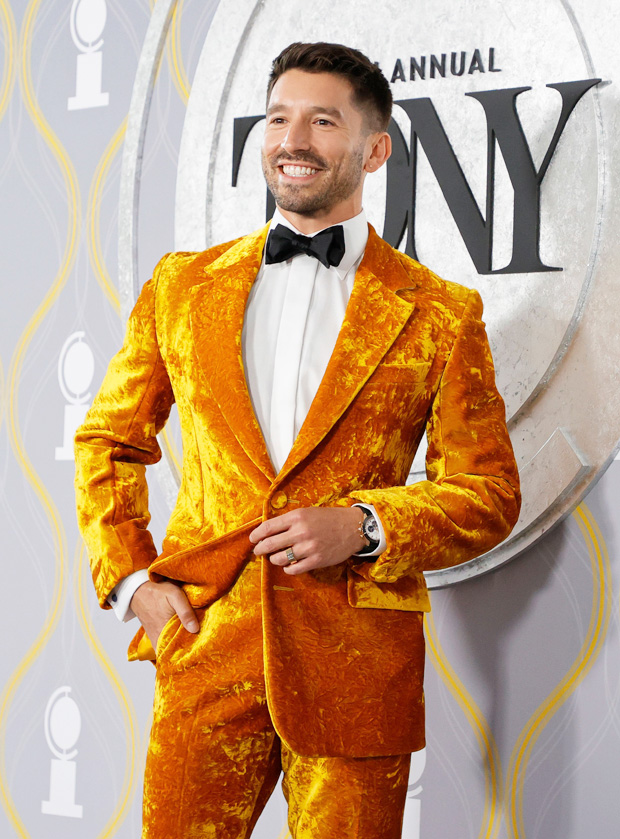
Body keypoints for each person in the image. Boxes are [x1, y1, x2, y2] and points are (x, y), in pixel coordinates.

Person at [75, 41, 520, 839]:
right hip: (205, 644)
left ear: (375, 150)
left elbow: (489, 493)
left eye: (323, 121)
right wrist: (132, 580)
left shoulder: (441, 313)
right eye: (279, 118)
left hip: (358, 667)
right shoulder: (182, 286)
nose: (293, 140)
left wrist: (365, 525)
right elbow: (108, 438)